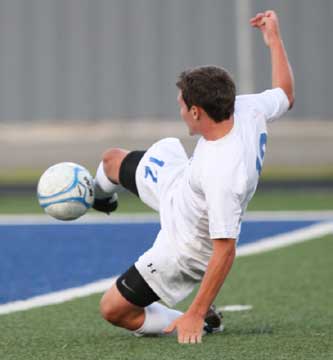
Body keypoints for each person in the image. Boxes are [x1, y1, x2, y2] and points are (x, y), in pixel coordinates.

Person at [93, 10, 295, 344]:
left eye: (181, 105)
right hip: (182, 184)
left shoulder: (225, 174)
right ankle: (98, 198)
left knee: (113, 310)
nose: (180, 110)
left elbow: (224, 250)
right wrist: (273, 39)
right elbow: (286, 94)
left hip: (184, 247)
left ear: (197, 112)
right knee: (111, 160)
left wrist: (196, 312)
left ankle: (206, 319)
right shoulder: (245, 107)